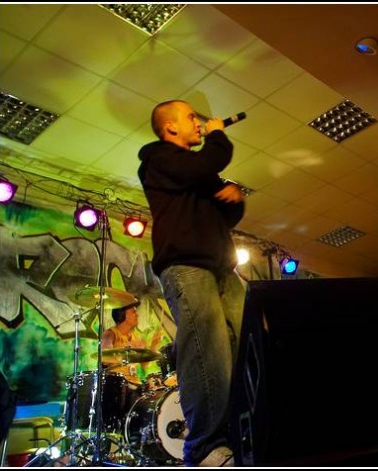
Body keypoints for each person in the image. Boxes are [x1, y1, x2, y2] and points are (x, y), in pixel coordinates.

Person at [137, 100, 245, 467]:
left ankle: (240, 434)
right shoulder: (157, 158)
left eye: (201, 121)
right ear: (170, 128)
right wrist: (218, 135)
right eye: (191, 119)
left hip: (222, 269)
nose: (199, 124)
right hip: (187, 267)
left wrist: (235, 199)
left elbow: (224, 212)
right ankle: (203, 448)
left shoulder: (197, 175)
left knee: (243, 346)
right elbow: (208, 163)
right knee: (208, 351)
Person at [101, 300, 162, 385]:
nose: (137, 315)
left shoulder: (135, 337)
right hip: (117, 384)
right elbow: (104, 359)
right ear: (121, 315)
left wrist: (154, 344)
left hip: (135, 383)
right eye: (133, 312)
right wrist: (128, 351)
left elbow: (145, 365)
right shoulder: (110, 334)